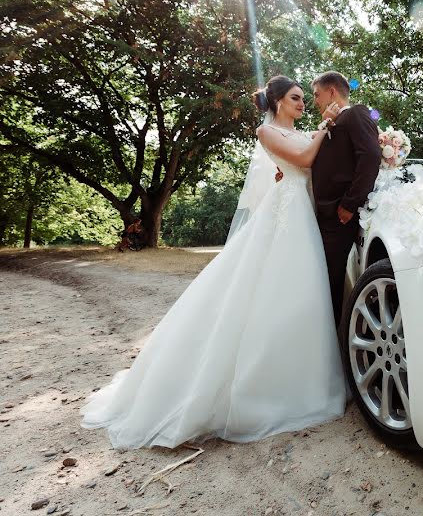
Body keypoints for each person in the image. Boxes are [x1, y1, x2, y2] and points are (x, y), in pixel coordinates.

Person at [80, 75, 346, 449]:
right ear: (277, 101)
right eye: (296, 97)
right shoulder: (265, 131)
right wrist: (325, 127)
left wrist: (321, 132)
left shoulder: (296, 131)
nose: (303, 103)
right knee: (279, 290)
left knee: (299, 296)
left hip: (301, 212)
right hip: (287, 214)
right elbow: (303, 158)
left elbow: (304, 162)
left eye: (305, 98)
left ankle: (299, 376)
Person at [307, 71, 381, 326]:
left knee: (330, 283)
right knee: (324, 282)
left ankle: (331, 344)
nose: (314, 101)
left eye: (317, 95)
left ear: (331, 92)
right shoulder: (335, 121)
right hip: (324, 215)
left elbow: (370, 158)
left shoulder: (358, 113)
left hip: (339, 216)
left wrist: (350, 203)